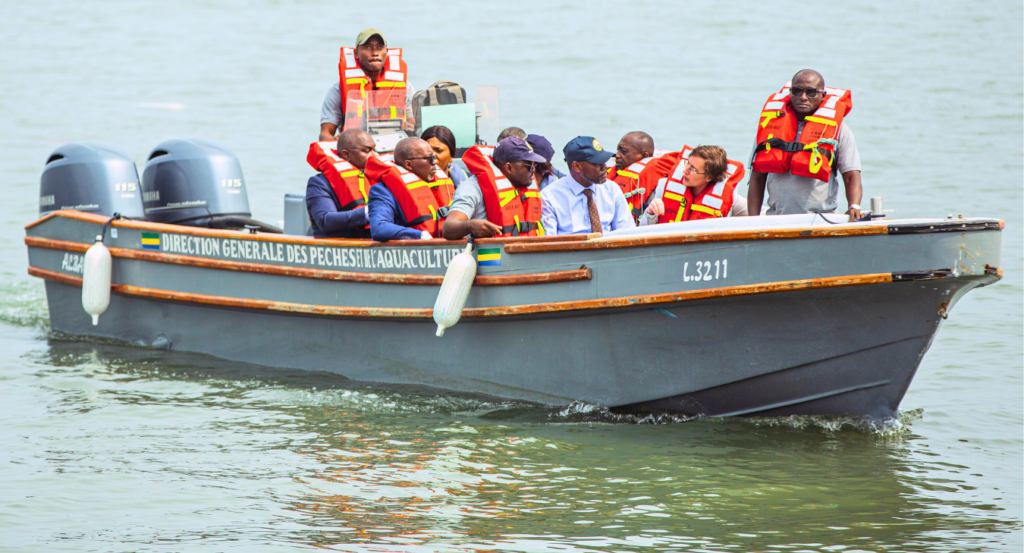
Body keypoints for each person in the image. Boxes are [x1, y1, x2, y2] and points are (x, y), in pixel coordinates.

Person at [746, 69, 863, 221]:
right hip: (776, 219)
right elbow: (757, 178)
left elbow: (851, 175)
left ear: (823, 95)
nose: (803, 97)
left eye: (811, 92)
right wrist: (753, 220)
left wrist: (854, 206)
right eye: (797, 91)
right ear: (790, 92)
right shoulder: (770, 129)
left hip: (821, 220)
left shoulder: (838, 131)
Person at [319, 28, 416, 142]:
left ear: (387, 51)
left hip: (394, 146)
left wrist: (407, 127)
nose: (375, 53)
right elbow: (325, 133)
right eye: (368, 47)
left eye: (380, 47)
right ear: (356, 53)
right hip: (355, 148)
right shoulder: (337, 90)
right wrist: (338, 142)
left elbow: (414, 127)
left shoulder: (405, 87)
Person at [443, 137, 547, 239]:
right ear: (509, 167)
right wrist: (470, 225)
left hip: (522, 253)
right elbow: (448, 228)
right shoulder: (472, 189)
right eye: (529, 165)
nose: (533, 170)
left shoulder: (523, 186)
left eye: (534, 164)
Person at [540, 137, 636, 235]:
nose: (604, 167)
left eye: (604, 161)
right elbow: (548, 242)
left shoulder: (612, 189)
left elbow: (627, 232)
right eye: (597, 163)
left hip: (607, 248)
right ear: (577, 166)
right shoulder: (549, 197)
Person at [364, 138, 447, 241]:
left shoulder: (437, 184)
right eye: (429, 158)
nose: (434, 162)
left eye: (433, 157)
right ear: (408, 164)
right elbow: (379, 228)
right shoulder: (383, 191)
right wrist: (419, 235)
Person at [639, 145, 743, 225]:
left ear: (709, 177)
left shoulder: (731, 198)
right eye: (687, 163)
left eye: (692, 169)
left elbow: (755, 219)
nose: (685, 171)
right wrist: (650, 213)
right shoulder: (663, 185)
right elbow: (643, 229)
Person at [305, 130, 377, 238]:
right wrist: (368, 213)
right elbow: (325, 221)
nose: (374, 155)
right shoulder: (319, 183)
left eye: (374, 150)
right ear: (346, 154)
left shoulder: (378, 179)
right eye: (367, 151)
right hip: (339, 248)